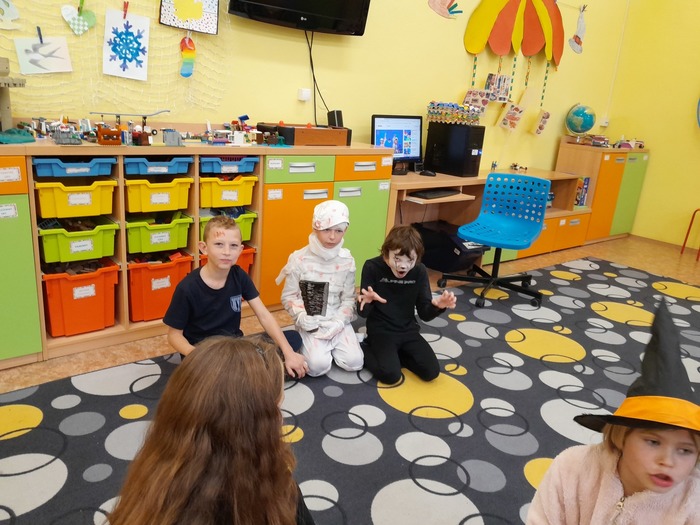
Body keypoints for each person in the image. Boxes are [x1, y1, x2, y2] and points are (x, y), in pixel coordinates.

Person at [109, 335, 315, 525]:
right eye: (277, 409)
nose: (281, 420)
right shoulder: (279, 496)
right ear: (251, 428)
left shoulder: (149, 488)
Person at [527, 300, 700, 525]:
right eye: (653, 442)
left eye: (685, 450)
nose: (667, 461)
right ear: (622, 435)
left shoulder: (692, 504)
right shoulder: (572, 468)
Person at [163, 215, 309, 378]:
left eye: (233, 246)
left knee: (292, 339)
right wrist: (197, 356)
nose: (226, 252)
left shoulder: (239, 276)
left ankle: (247, 373)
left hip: (234, 347)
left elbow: (264, 315)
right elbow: (174, 336)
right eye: (219, 244)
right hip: (203, 353)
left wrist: (288, 353)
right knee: (222, 376)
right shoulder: (187, 287)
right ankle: (252, 374)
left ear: (240, 250)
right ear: (204, 248)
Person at [357, 224, 457, 384]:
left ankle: (395, 356)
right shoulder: (372, 267)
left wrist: (438, 306)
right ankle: (362, 346)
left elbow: (425, 314)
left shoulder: (419, 271)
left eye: (410, 260)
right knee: (391, 375)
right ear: (386, 253)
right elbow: (362, 313)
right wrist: (366, 302)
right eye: (397, 259)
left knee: (431, 372)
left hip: (408, 330)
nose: (403, 266)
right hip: (381, 331)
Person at [275, 200, 363, 377]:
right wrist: (301, 316)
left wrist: (339, 322)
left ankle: (337, 344)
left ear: (345, 230)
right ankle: (316, 347)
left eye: (338, 231)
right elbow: (289, 296)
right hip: (311, 321)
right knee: (317, 367)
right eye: (326, 230)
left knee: (355, 362)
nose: (332, 237)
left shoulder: (347, 260)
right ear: (315, 228)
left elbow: (348, 298)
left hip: (336, 318)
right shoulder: (299, 259)